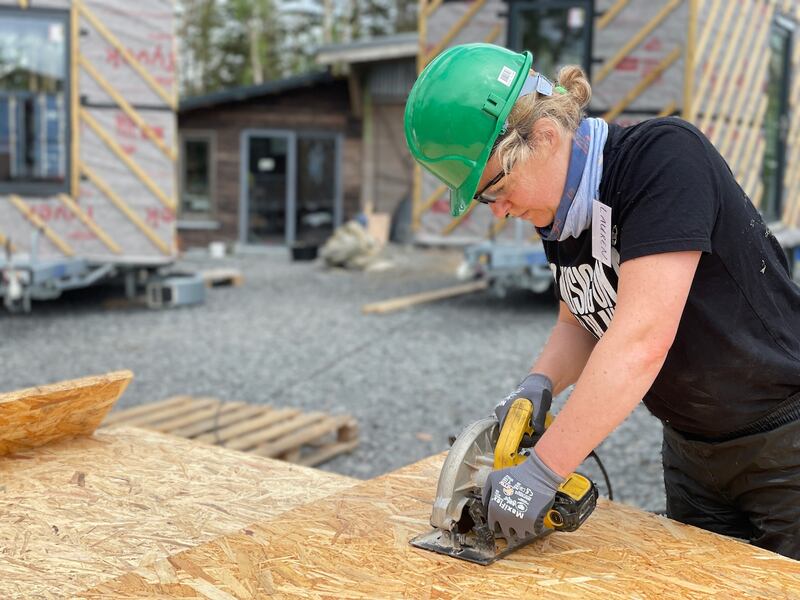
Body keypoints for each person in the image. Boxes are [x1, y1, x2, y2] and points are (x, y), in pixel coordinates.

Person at [404, 43, 800, 559]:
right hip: (692, 447)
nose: (498, 210)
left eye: (494, 187)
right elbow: (581, 319)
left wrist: (543, 471)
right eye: (483, 198)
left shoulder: (663, 160)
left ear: (545, 136)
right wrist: (537, 385)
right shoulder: (560, 211)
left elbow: (640, 341)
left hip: (783, 443)